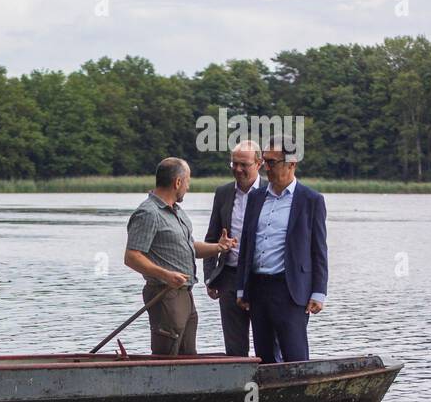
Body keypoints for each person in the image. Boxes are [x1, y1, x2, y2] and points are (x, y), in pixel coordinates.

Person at [124, 158, 237, 355]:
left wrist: (219, 247)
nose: (188, 186)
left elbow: (189, 247)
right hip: (164, 294)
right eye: (187, 181)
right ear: (177, 182)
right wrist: (166, 275)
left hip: (185, 295)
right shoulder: (148, 213)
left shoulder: (176, 211)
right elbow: (132, 257)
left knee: (187, 356)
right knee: (166, 355)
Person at [235, 137, 328, 364]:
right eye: (265, 161)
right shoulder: (256, 197)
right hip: (258, 289)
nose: (267, 168)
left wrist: (319, 292)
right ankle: (270, 399)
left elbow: (319, 250)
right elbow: (246, 245)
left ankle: (301, 397)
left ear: (291, 163)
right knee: (263, 357)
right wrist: (241, 288)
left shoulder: (311, 200)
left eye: (272, 162)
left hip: (291, 290)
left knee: (294, 356)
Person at [203, 139, 267, 356]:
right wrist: (210, 276)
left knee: (266, 341)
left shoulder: (271, 192)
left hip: (261, 277)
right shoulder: (223, 193)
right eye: (234, 164)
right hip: (229, 277)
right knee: (234, 346)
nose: (238, 169)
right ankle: (239, 386)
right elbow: (212, 237)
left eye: (244, 165)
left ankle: (267, 385)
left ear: (259, 163)